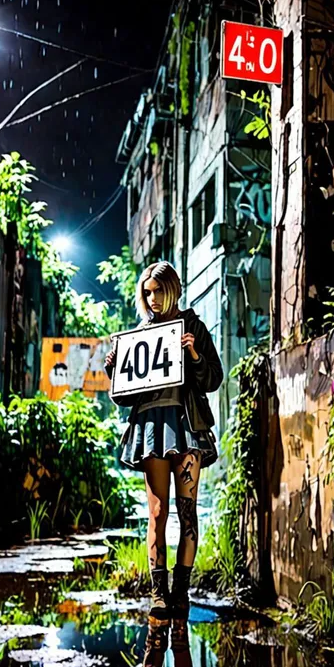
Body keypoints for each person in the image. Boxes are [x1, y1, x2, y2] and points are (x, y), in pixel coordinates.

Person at [104, 261, 223, 621]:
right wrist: (114, 371)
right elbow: (124, 398)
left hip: (186, 425)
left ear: (172, 288)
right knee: (157, 512)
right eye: (147, 293)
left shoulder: (194, 327)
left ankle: (181, 593)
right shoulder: (138, 336)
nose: (152, 298)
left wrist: (195, 354)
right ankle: (159, 594)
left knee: (188, 513)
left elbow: (213, 378)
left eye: (157, 290)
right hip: (150, 427)